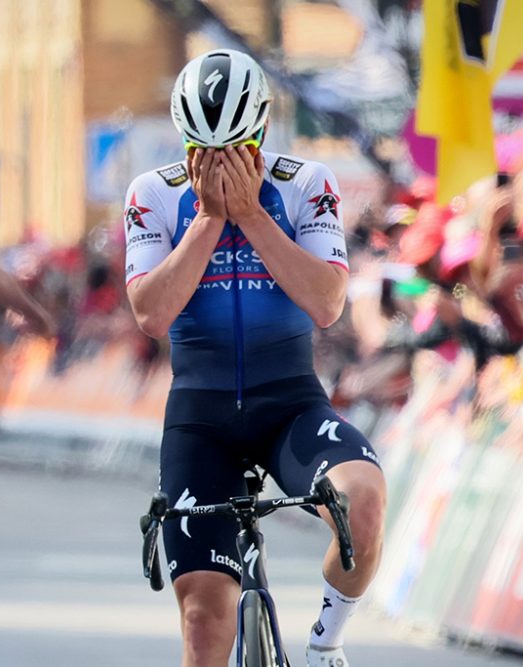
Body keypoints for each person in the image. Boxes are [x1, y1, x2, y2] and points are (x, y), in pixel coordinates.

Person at [123, 49, 385, 667]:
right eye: (203, 150)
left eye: (235, 149)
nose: (218, 165)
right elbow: (151, 316)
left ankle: (327, 644)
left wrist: (252, 215)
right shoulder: (153, 195)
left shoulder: (304, 184)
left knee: (364, 503)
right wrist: (209, 220)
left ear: (261, 131)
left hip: (288, 403)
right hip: (200, 417)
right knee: (203, 620)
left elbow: (327, 304)